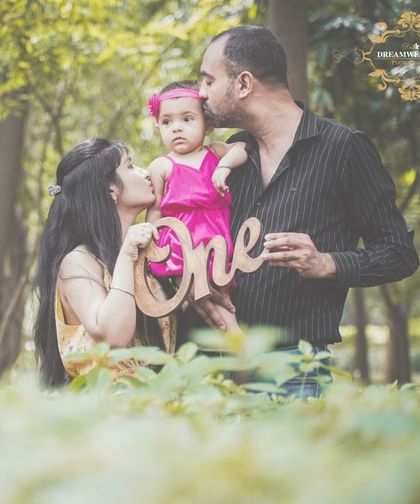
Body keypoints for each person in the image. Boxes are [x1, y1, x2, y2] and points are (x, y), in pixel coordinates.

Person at [196, 25, 419, 397]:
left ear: (244, 83)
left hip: (295, 371)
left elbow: (399, 254)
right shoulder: (229, 155)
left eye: (208, 80)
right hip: (216, 365)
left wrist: (326, 263)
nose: (200, 93)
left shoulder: (344, 148)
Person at [34, 138, 176, 387]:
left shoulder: (150, 259)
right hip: (105, 413)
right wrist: (127, 255)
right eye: (130, 166)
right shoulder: (77, 262)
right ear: (111, 189)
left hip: (154, 410)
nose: (145, 173)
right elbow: (113, 336)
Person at [145, 80, 248, 331]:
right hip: (184, 244)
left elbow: (243, 147)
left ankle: (232, 354)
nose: (176, 129)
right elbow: (156, 211)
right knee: (194, 308)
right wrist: (154, 250)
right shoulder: (162, 166)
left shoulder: (215, 152)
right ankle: (240, 352)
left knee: (218, 299)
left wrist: (224, 167)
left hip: (217, 239)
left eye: (187, 119)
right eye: (167, 122)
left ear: (208, 124)